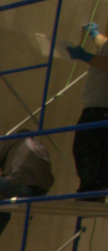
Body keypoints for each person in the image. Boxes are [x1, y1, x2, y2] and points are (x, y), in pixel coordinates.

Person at [68, 27, 108, 200]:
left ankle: (91, 192)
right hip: (99, 109)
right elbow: (103, 42)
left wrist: (85, 56)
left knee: (86, 150)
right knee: (99, 151)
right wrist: (94, 33)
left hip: (99, 110)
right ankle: (97, 191)